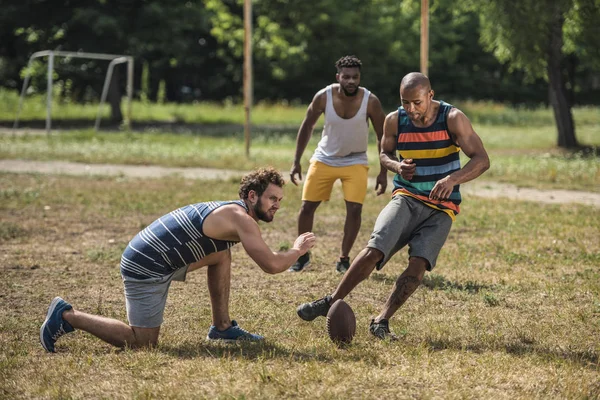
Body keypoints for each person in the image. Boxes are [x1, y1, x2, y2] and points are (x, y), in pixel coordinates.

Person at [296, 72, 490, 339]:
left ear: (430, 96)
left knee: (419, 264)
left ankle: (381, 321)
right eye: (405, 102)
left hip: (442, 208)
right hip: (406, 197)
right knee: (375, 249)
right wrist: (397, 165)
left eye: (417, 102)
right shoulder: (394, 120)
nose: (411, 109)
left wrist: (452, 179)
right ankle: (331, 301)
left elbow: (481, 159)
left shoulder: (452, 118)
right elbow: (384, 153)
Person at [40, 167, 316, 352]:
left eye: (279, 200)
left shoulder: (232, 211)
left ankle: (222, 328)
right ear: (252, 195)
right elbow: (271, 265)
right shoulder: (241, 219)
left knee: (221, 254)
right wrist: (297, 250)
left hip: (156, 255)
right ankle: (66, 315)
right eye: (272, 198)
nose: (276, 205)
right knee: (142, 343)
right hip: (146, 265)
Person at [289, 55, 388, 274]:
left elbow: (383, 136)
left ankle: (344, 259)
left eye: (355, 77)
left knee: (354, 209)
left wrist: (384, 171)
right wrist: (296, 161)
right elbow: (306, 127)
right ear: (338, 77)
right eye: (346, 77)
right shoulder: (323, 97)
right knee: (307, 207)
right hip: (324, 158)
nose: (351, 81)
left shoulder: (370, 101)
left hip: (356, 159)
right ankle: (302, 255)